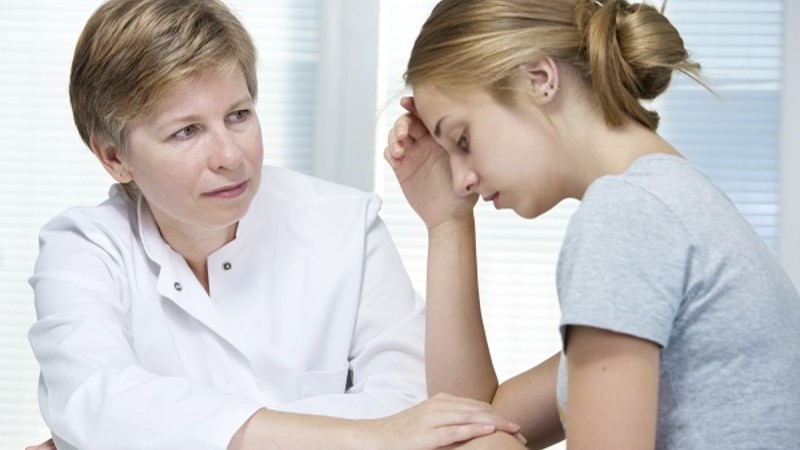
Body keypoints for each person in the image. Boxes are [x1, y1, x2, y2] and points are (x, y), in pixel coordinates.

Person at [26, 0, 526, 449]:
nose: (229, 156)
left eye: (238, 115)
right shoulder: (83, 248)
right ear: (114, 158)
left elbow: (416, 409)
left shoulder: (346, 225)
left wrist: (161, 429)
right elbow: (95, 400)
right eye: (186, 131)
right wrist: (364, 434)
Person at [385, 0, 800, 448]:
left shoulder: (626, 216)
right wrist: (447, 221)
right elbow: (467, 423)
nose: (461, 180)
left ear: (539, 78)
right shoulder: (667, 200)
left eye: (463, 139)